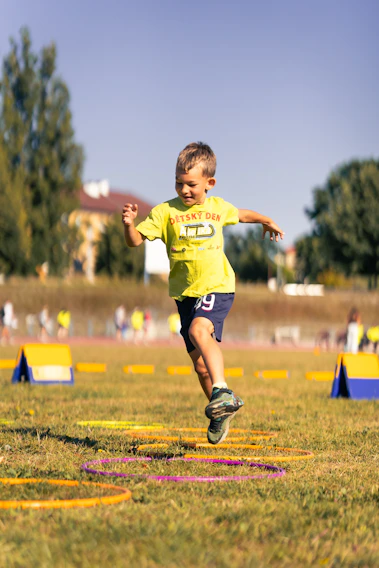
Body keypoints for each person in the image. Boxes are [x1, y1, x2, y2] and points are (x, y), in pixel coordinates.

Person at [122, 142, 284, 444]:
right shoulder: (165, 212)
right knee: (199, 365)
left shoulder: (217, 208)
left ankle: (223, 391)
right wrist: (129, 225)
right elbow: (135, 241)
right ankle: (221, 410)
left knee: (199, 329)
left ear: (209, 183)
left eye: (192, 184)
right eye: (179, 183)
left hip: (217, 286)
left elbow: (242, 214)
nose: (184, 189)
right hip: (184, 295)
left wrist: (265, 219)